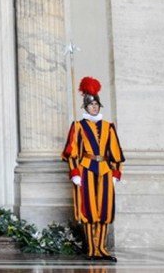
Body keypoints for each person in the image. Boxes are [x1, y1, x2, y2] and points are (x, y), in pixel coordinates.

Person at [61, 76, 125, 262]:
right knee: (89, 209)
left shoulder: (108, 127)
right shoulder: (78, 126)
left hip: (105, 170)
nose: (94, 107)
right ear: (85, 107)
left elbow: (116, 152)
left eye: (96, 104)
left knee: (104, 210)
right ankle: (92, 248)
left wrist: (115, 173)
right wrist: (75, 172)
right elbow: (72, 152)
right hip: (86, 169)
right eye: (91, 104)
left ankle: (102, 248)